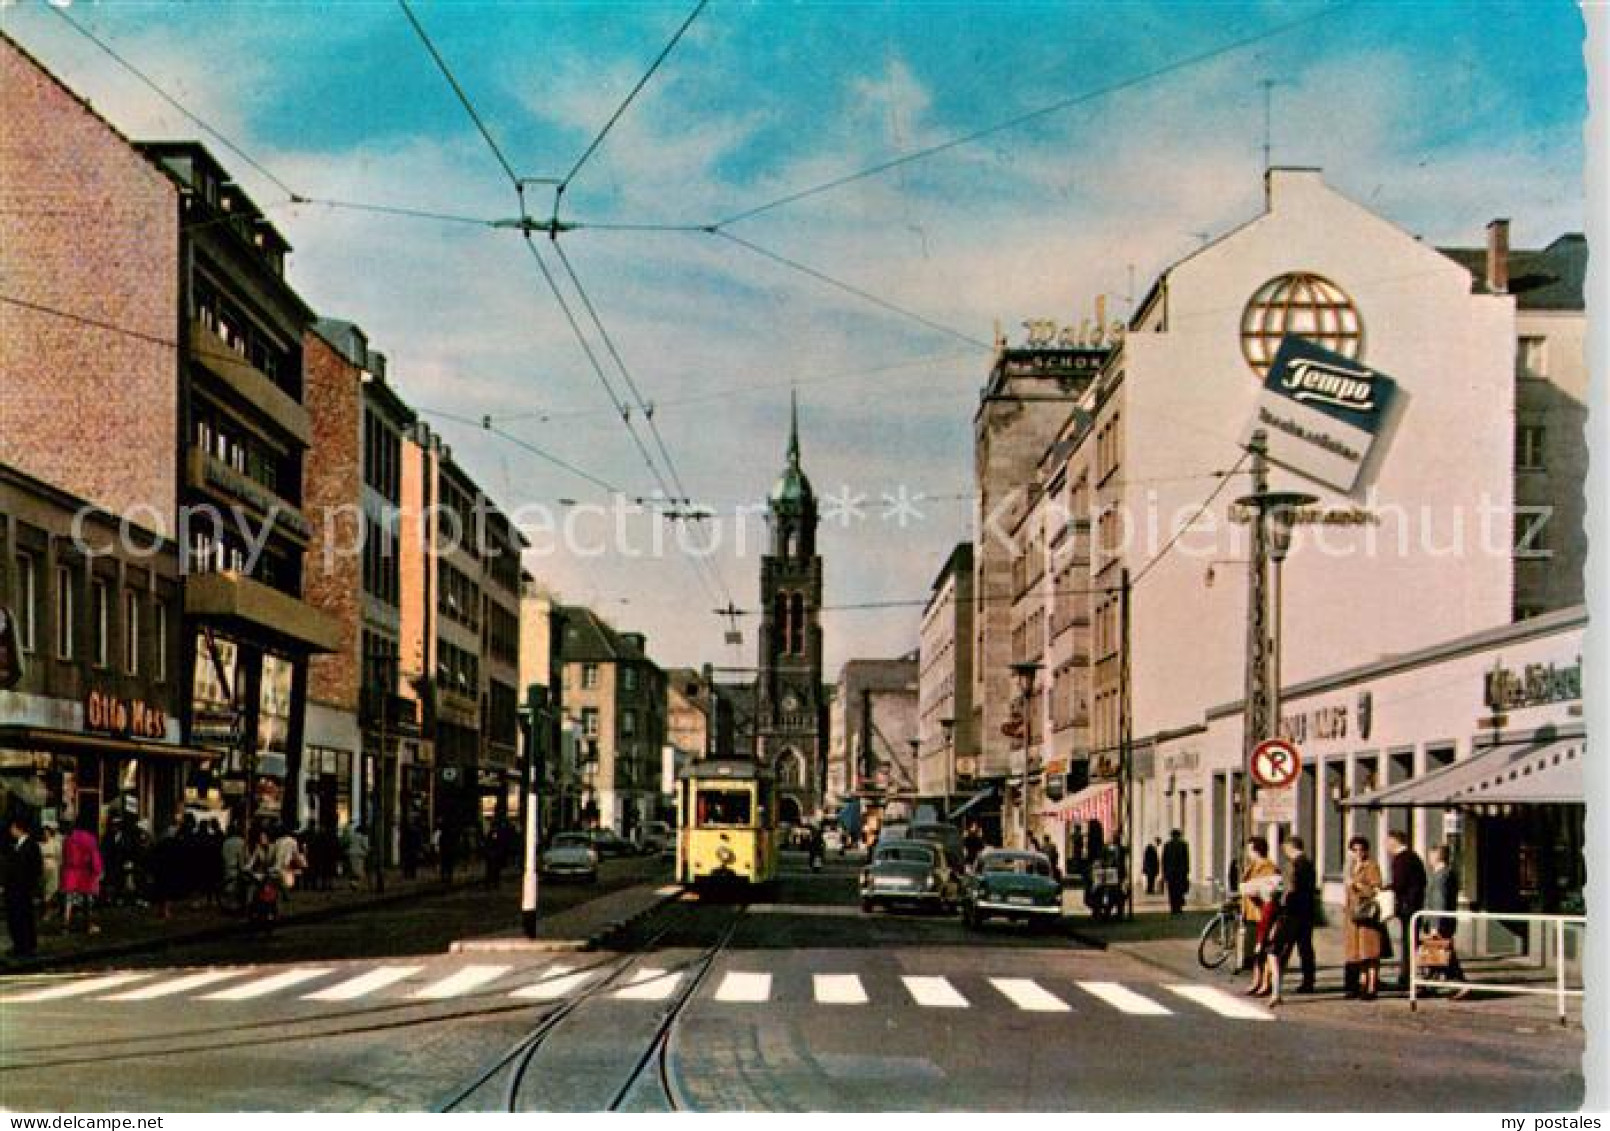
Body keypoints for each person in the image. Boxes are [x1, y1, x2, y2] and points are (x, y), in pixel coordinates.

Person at [1344, 836, 1390, 1001]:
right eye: (1354, 850)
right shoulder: (1350, 867)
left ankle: (1372, 986)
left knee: (1370, 952)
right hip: (1353, 916)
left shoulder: (1371, 866)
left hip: (1367, 915)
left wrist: (1358, 886)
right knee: (1358, 953)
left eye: (1361, 850)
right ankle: (1361, 983)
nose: (1358, 853)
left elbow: (1376, 889)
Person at [1424, 843, 1469, 997]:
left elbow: (1439, 900)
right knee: (1439, 953)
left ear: (1438, 856)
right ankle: (1432, 981)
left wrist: (1435, 925)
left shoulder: (1441, 875)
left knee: (1444, 952)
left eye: (1431, 854)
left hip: (1440, 922)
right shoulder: (1447, 873)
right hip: (1444, 921)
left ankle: (1459, 983)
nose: (1429, 858)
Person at [1385, 829, 1427, 991]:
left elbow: (1400, 883)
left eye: (1388, 841)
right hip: (1415, 905)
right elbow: (1422, 880)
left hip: (1408, 908)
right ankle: (1407, 975)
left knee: (1409, 942)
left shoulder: (1401, 859)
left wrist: (1386, 889)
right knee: (1410, 941)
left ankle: (1408, 977)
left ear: (1395, 841)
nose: (1386, 845)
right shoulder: (1414, 857)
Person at [1275, 835, 1318, 994]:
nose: (1284, 851)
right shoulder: (1308, 863)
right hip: (1307, 910)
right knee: (1305, 948)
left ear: (1290, 847)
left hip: (1294, 911)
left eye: (1285, 848)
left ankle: (1277, 983)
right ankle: (1309, 980)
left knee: (1284, 947)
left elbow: (1292, 889)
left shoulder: (1294, 865)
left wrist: (1284, 904)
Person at [1239, 837, 1280, 991]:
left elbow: (1268, 889)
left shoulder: (1268, 866)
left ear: (1256, 850)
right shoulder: (1252, 865)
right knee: (1255, 951)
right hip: (1251, 912)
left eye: (1250, 849)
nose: (1248, 853)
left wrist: (1250, 889)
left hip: (1261, 912)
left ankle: (1265, 982)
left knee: (1263, 949)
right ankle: (1256, 980)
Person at [4, 816, 43, 958]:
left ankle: (25, 946)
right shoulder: (16, 844)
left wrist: (31, 886)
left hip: (23, 888)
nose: (10, 830)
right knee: (15, 917)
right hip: (14, 888)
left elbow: (36, 868)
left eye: (12, 827)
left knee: (23, 917)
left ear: (18, 828)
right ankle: (19, 945)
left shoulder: (31, 845)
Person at [59, 816, 103, 936]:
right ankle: (88, 926)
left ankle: (65, 926)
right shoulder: (90, 839)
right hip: (85, 873)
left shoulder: (68, 838)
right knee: (87, 901)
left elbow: (64, 856)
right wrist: (98, 871)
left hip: (70, 872)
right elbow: (95, 857)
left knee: (69, 901)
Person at [1161, 829, 1189, 915]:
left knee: (1172, 891)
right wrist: (1186, 870)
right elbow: (1186, 859)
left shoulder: (1167, 845)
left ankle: (1174, 907)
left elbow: (1164, 860)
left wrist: (1164, 872)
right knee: (1178, 891)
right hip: (1179, 872)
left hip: (1172, 872)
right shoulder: (1183, 845)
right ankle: (1178, 907)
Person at [39, 823, 61, 921]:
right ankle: (48, 910)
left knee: (51, 891)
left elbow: (60, 857)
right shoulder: (40, 844)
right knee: (45, 892)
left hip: (53, 869)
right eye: (44, 832)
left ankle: (49, 911)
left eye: (47, 832)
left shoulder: (55, 843)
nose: (45, 834)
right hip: (43, 870)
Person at [344, 823, 370, 890]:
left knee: (353, 869)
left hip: (351, 854)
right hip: (359, 855)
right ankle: (356, 884)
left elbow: (346, 843)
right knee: (359, 870)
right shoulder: (363, 837)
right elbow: (366, 846)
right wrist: (368, 850)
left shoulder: (351, 836)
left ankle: (354, 883)